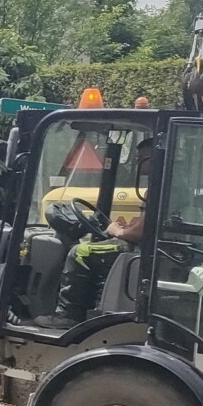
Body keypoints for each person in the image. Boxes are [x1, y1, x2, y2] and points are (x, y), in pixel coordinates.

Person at [40, 138, 153, 327]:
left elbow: (139, 233)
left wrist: (118, 231)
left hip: (145, 251)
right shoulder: (169, 184)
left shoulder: (158, 187)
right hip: (152, 248)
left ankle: (68, 316)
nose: (136, 162)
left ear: (153, 158)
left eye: (141, 157)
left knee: (80, 253)